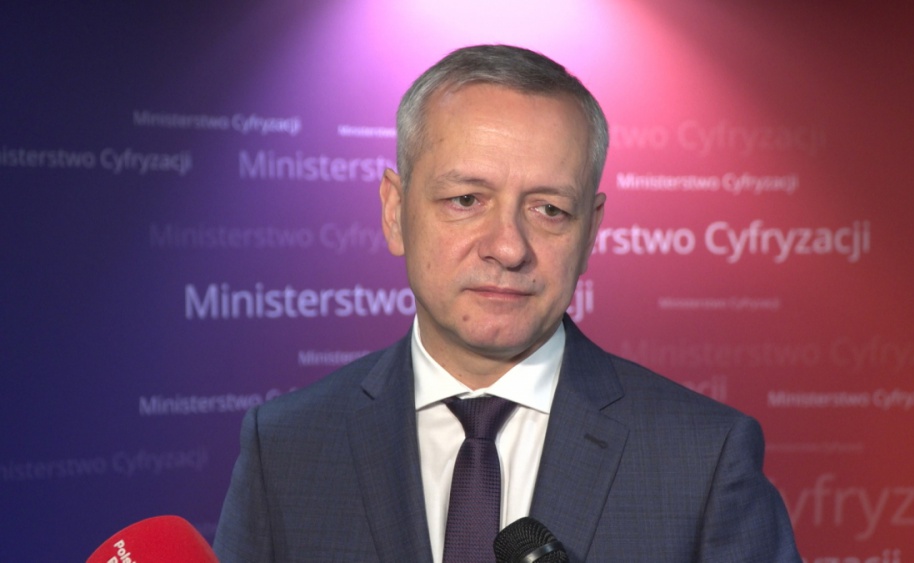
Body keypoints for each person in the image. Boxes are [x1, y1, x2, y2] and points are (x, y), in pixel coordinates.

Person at [214, 44, 800, 562]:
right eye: (467, 199)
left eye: (549, 210)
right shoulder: (285, 448)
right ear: (395, 211)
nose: (508, 247)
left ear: (590, 232)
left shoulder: (704, 460)